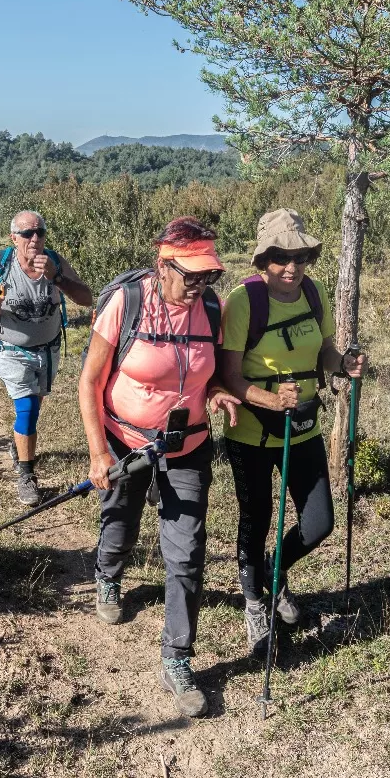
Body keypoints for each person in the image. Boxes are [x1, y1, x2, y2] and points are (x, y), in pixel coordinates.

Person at [77, 217, 237, 718]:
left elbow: (209, 373)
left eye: (207, 276)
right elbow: (89, 382)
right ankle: (108, 574)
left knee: (187, 551)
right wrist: (99, 451)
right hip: (126, 440)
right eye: (191, 276)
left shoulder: (211, 307)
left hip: (187, 446)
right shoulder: (126, 303)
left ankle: (178, 657)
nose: (200, 286)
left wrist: (217, 392)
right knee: (120, 522)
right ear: (162, 265)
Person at [213, 208, 366, 658]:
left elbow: (322, 349)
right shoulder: (243, 302)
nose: (291, 267)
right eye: (281, 257)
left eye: (299, 256)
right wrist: (268, 399)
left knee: (319, 523)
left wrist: (342, 364)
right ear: (264, 259)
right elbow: (229, 376)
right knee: (256, 519)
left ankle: (271, 574)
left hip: (302, 428)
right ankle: (255, 602)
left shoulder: (313, 294)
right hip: (252, 433)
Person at [0, 211, 93, 506]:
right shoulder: (1, 263)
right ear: (14, 238)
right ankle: (26, 476)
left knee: (34, 404)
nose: (35, 239)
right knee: (27, 409)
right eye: (27, 234)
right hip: (12, 351)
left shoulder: (54, 261)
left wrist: (58, 278)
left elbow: (87, 298)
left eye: (40, 232)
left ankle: (19, 447)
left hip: (49, 349)